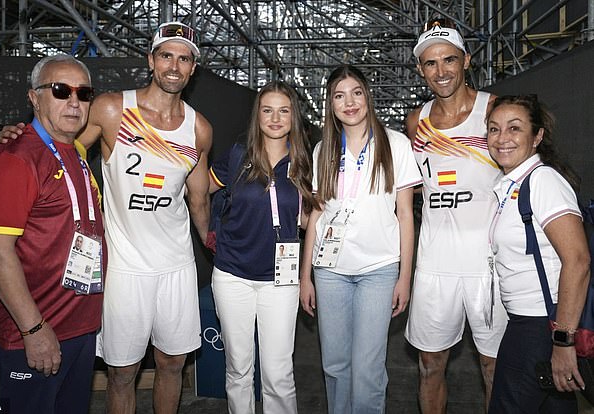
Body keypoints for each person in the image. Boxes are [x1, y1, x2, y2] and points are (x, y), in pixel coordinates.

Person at [0, 21, 212, 414]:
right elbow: (59, 146)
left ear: (193, 68)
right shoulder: (112, 108)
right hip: (124, 268)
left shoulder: (199, 128)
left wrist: (216, 249)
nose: (174, 66)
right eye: (166, 55)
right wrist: (20, 137)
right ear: (151, 60)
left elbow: (198, 201)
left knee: (173, 364)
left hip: (177, 265)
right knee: (122, 374)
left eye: (184, 58)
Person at [0, 55, 103, 414]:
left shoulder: (76, 151)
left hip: (79, 327)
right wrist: (34, 331)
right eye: (61, 91)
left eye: (84, 92)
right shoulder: (14, 159)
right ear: (34, 97)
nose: (74, 102)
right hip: (35, 333)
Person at [300, 65, 421, 414]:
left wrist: (404, 277)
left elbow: (405, 217)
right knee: (334, 366)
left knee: (368, 369)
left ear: (367, 96)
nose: (348, 102)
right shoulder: (323, 149)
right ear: (330, 104)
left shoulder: (395, 144)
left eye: (355, 93)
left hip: (379, 271)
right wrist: (306, 276)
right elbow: (317, 215)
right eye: (339, 95)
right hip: (330, 272)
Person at [403, 17, 508, 413]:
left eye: (449, 60)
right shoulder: (417, 121)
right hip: (435, 264)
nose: (441, 71)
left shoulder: (494, 109)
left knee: (493, 366)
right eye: (431, 63)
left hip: (489, 265)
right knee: (430, 365)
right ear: (420, 69)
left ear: (465, 60)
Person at [209, 81, 315, 414]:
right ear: (258, 116)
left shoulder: (303, 162)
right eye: (267, 110)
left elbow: (309, 218)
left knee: (278, 372)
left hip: (280, 281)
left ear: (293, 117)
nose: (275, 118)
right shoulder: (239, 154)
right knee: (238, 369)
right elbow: (204, 190)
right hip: (232, 275)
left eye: (283, 111)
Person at [486, 95, 590, 413]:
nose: (502, 138)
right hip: (532, 323)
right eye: (493, 129)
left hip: (540, 328)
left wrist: (562, 341)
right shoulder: (512, 185)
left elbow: (578, 260)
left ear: (537, 137)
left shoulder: (542, 181)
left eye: (514, 128)